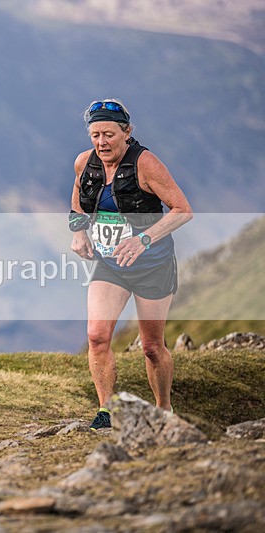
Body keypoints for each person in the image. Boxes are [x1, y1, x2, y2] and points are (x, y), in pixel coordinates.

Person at [69, 99, 192, 431]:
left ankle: (164, 408)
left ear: (126, 132)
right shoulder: (85, 163)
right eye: (95, 135)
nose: (101, 142)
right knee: (96, 336)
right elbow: (78, 200)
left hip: (152, 265)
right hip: (110, 265)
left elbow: (182, 209)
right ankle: (106, 411)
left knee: (152, 347)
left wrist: (143, 239)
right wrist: (79, 232)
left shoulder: (146, 164)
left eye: (109, 134)